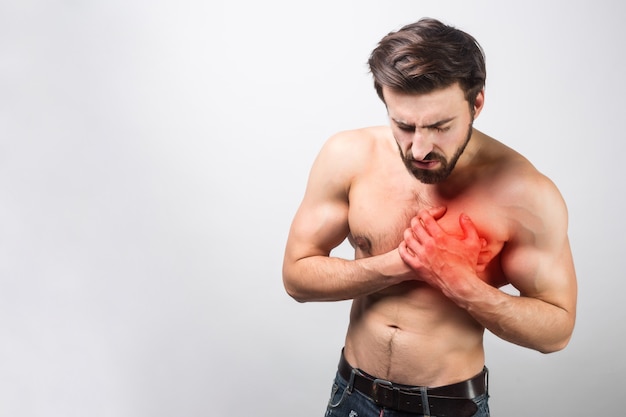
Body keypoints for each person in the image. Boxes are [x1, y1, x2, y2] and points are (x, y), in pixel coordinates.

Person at [282, 17, 577, 417]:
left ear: (476, 104)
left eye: (440, 126)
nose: (419, 148)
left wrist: (460, 284)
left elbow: (556, 331)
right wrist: (401, 264)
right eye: (403, 125)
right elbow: (297, 278)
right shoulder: (347, 157)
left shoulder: (526, 194)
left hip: (447, 407)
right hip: (351, 396)